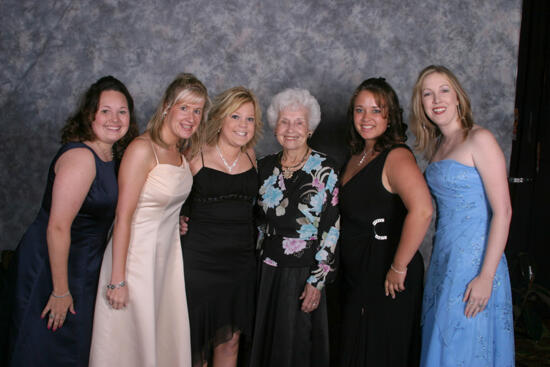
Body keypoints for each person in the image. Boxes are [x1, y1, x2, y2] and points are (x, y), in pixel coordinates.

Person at [6, 76, 138, 367]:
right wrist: (60, 290)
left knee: (72, 348)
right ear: (90, 114)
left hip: (84, 264)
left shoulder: (113, 156)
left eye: (122, 111)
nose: (114, 119)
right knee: (44, 347)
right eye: (105, 110)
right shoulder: (81, 157)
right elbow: (57, 227)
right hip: (52, 265)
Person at [89, 73, 209, 367]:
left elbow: (163, 201)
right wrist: (118, 279)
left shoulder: (179, 152)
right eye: (184, 108)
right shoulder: (142, 148)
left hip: (166, 259)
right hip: (134, 261)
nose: (191, 117)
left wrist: (175, 218)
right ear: (167, 106)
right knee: (130, 344)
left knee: (161, 339)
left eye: (197, 111)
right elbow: (123, 216)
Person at [410, 65, 514, 366]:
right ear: (422, 104)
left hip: (478, 263)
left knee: (466, 344)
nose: (436, 99)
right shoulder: (438, 148)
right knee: (442, 341)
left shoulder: (479, 139)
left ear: (457, 97)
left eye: (443, 90)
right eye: (427, 94)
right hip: (445, 259)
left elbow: (503, 212)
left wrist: (485, 276)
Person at [338, 77, 433, 366]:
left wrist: (398, 266)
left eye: (376, 110)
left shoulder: (397, 156)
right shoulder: (357, 155)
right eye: (359, 110)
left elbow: (423, 211)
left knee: (378, 351)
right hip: (357, 269)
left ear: (390, 116)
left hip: (386, 270)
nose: (366, 118)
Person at [249, 88, 340, 367]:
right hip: (266, 270)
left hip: (303, 272)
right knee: (265, 345)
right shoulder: (262, 166)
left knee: (297, 346)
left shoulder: (326, 168)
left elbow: (331, 229)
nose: (291, 129)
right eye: (284, 122)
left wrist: (317, 281)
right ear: (275, 126)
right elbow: (251, 219)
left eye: (298, 122)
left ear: (310, 128)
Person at [181, 86, 263, 367]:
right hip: (199, 261)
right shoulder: (194, 154)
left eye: (250, 119)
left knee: (231, 340)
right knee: (196, 342)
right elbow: (168, 198)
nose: (243, 125)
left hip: (240, 262)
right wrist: (177, 219)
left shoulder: (252, 157)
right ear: (220, 118)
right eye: (236, 116)